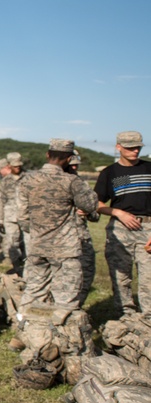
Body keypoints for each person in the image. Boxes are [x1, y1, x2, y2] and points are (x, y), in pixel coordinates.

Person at [16, 139, 100, 310]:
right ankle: (61, 333)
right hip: (65, 250)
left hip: (37, 246)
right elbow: (90, 205)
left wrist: (38, 232)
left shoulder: (27, 180)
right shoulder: (71, 181)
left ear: (47, 155)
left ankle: (24, 329)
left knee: (33, 292)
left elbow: (22, 217)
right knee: (65, 299)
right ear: (69, 159)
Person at [95, 130, 151, 315]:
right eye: (130, 147)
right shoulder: (109, 173)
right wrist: (118, 212)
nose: (135, 151)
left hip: (148, 228)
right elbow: (97, 203)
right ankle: (126, 318)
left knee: (148, 279)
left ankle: (148, 318)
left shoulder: (149, 169)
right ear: (118, 147)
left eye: (137, 147)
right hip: (120, 229)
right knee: (121, 277)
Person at [68, 150, 99, 296]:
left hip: (81, 236)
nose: (74, 168)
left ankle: (78, 306)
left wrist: (89, 213)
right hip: (60, 238)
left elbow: (96, 214)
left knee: (87, 272)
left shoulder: (83, 185)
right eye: (71, 165)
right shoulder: (51, 183)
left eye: (76, 165)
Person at [0, 152, 27, 275]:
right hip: (10, 217)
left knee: (27, 243)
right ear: (9, 166)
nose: (17, 168)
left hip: (26, 216)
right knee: (12, 243)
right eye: (15, 166)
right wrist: (0, 219)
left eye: (19, 166)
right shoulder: (6, 181)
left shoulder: (28, 178)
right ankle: (16, 266)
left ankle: (27, 267)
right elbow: (1, 200)